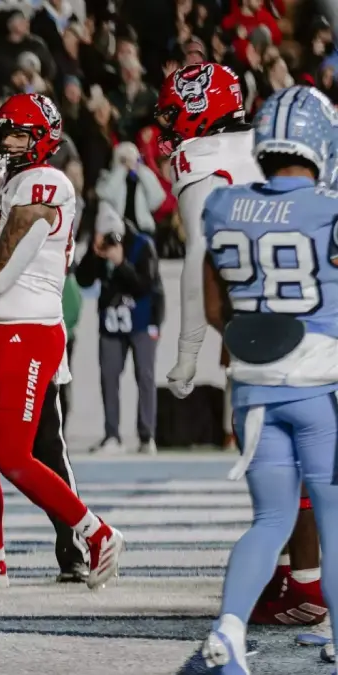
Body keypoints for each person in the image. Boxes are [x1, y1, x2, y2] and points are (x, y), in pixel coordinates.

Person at [176, 85, 338, 675]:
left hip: (253, 384)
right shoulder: (328, 207)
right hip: (318, 383)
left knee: (269, 519)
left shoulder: (223, 204)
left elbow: (216, 305)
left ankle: (228, 631)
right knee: (330, 509)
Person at [0, 93, 123, 592]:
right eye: (4, 133)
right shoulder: (15, 185)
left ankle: (96, 531)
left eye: (19, 134)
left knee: (14, 454)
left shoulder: (45, 182)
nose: (7, 142)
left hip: (28, 332)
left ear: (43, 138)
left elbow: (0, 274)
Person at [75, 202, 163, 455]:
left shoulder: (142, 245)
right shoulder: (98, 245)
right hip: (111, 321)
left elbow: (145, 285)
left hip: (142, 319)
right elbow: (83, 279)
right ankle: (111, 434)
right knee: (109, 377)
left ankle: (147, 436)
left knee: (145, 376)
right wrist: (94, 254)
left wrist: (121, 262)